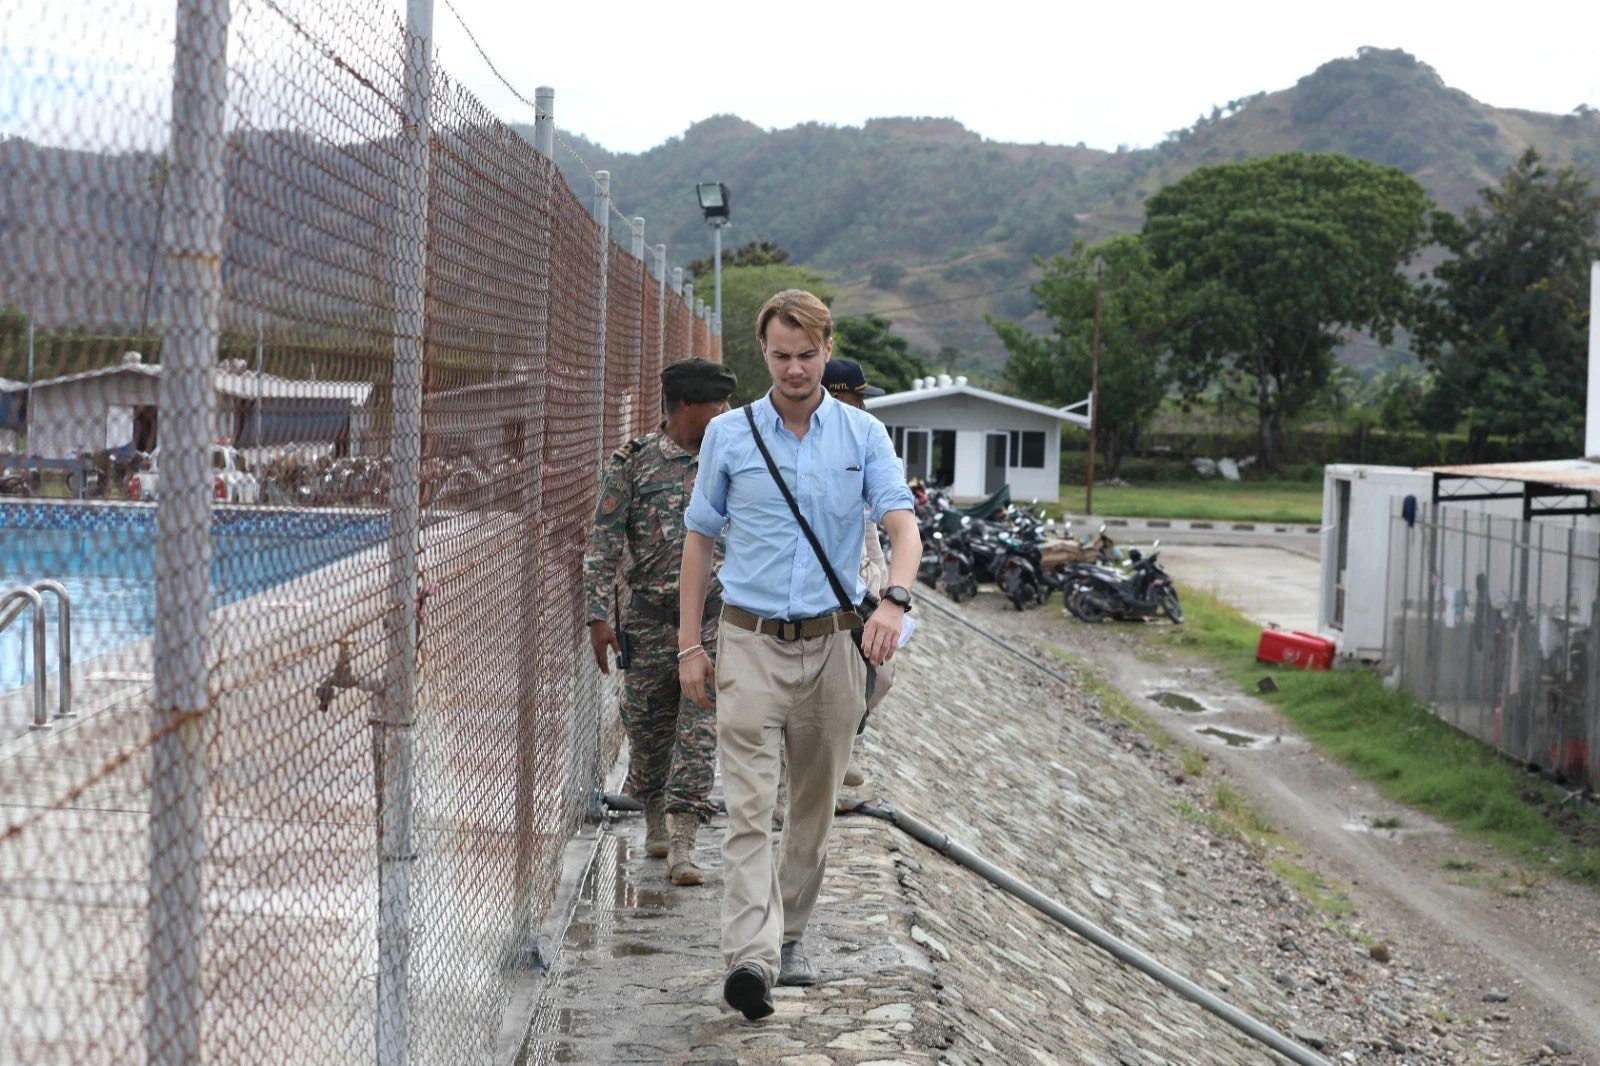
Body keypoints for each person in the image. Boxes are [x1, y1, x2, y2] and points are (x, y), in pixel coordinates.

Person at [677, 289, 920, 1021]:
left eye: (806, 355)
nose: (793, 368)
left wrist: (893, 600)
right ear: (765, 354)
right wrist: (692, 642)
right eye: (780, 356)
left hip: (833, 646)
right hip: (749, 641)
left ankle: (792, 938)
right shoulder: (730, 436)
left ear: (824, 348)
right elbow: (698, 540)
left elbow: (902, 529)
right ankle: (749, 957)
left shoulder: (862, 436)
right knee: (749, 809)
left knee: (811, 809)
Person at [582, 358, 736, 887]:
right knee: (648, 732)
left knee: (699, 732)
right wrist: (598, 616)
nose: (728, 413)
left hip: (714, 622)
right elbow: (602, 543)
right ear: (688, 406)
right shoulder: (633, 463)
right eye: (720, 405)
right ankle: (655, 817)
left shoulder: (731, 460)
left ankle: (685, 844)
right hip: (648, 623)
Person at [819, 358, 891, 790]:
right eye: (857, 398)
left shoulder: (864, 440)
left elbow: (871, 523)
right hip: (816, 578)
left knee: (879, 672)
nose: (863, 407)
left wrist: (879, 580)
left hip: (858, 575)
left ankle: (849, 736)